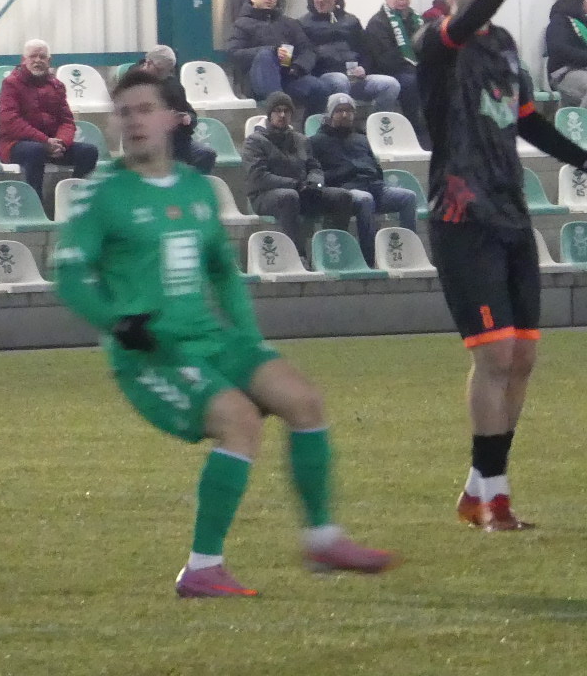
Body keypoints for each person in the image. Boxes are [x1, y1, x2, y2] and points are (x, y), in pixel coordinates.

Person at [51, 68, 394, 598]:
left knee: (303, 401)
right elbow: (70, 275)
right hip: (152, 352)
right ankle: (202, 567)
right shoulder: (102, 195)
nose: (134, 122)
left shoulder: (196, 188)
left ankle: (322, 540)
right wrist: (116, 323)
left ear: (173, 118)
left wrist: (249, 339)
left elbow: (222, 272)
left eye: (145, 110)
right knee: (239, 421)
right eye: (125, 113)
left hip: (213, 339)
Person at [416, 0, 587, 531]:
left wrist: (582, 158)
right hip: (462, 216)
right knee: (493, 354)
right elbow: (464, 26)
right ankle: (496, 499)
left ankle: (478, 487)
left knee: (522, 357)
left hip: (510, 211)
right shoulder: (437, 41)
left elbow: (527, 122)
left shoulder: (506, 47)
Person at [309, 92, 417, 267]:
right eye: (339, 111)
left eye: (348, 110)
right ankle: (370, 260)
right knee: (366, 200)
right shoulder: (316, 142)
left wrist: (375, 177)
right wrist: (346, 171)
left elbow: (376, 167)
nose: (345, 115)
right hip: (347, 191)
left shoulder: (361, 138)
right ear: (330, 114)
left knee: (408, 197)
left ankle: (410, 252)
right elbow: (318, 175)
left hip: (375, 188)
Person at [242, 90, 353, 258]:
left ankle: (333, 253)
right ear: (269, 114)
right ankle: (298, 256)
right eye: (277, 111)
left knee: (342, 196)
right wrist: (295, 184)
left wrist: (315, 183)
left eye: (286, 111)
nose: (282, 115)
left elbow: (315, 167)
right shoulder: (254, 141)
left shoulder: (301, 139)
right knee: (289, 197)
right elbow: (259, 177)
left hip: (302, 190)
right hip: (265, 196)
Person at [0, 40, 100, 202]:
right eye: (33, 56)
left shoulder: (57, 86)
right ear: (24, 60)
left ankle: (74, 199)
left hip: (51, 144)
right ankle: (35, 204)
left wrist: (61, 142)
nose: (37, 60)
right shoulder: (11, 84)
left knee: (89, 152)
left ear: (49, 60)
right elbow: (10, 121)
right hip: (15, 145)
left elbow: (67, 121)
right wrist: (45, 141)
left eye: (42, 57)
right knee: (35, 151)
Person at [298, 0, 401, 112]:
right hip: (326, 77)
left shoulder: (351, 21)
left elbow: (366, 50)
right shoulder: (303, 23)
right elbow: (305, 55)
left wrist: (364, 68)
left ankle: (375, 121)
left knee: (391, 84)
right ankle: (344, 122)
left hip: (355, 77)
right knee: (340, 80)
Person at [227, 0, 329, 115]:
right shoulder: (241, 24)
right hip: (257, 79)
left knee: (319, 88)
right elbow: (233, 53)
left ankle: (310, 125)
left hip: (288, 77)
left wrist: (298, 67)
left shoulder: (289, 23)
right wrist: (272, 50)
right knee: (265, 55)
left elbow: (308, 50)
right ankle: (278, 104)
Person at [133, 45, 216, 175]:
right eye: (160, 70)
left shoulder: (173, 85)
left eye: (168, 71)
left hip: (176, 140)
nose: (164, 75)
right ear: (148, 63)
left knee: (206, 154)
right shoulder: (133, 85)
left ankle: (193, 186)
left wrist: (187, 118)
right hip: (147, 141)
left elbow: (190, 112)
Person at [361, 0, 427, 132]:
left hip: (413, 68)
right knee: (412, 81)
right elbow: (385, 59)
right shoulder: (378, 22)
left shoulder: (417, 20)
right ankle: (414, 127)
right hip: (389, 71)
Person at [541, 0, 587, 107]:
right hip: (564, 73)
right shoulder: (559, 21)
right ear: (577, 0)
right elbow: (559, 50)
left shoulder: (583, 23)